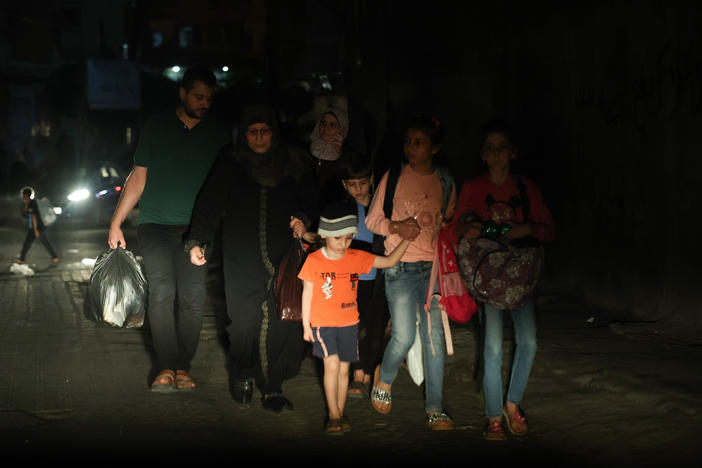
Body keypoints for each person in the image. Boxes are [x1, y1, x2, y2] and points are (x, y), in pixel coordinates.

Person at [187, 103, 318, 411]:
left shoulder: (294, 162)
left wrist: (303, 218)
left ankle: (273, 385)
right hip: (240, 256)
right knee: (243, 321)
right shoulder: (232, 162)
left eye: (265, 132)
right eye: (252, 132)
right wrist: (196, 240)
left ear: (274, 132)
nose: (259, 139)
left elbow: (311, 201)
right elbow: (209, 202)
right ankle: (243, 371)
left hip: (284, 255)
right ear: (243, 134)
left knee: (281, 320)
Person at [107, 66, 231, 393]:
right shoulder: (156, 127)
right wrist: (116, 222)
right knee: (162, 293)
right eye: (198, 96)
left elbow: (226, 187)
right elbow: (138, 178)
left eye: (209, 98)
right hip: (155, 226)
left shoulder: (218, 135)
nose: (204, 103)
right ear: (183, 93)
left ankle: (182, 366)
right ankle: (164, 365)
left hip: (198, 231)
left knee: (192, 298)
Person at [447, 119, 555, 440]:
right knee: (492, 345)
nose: (496, 154)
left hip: (521, 277)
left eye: (502, 148)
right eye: (490, 149)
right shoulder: (474, 188)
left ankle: (512, 404)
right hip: (490, 278)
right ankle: (494, 415)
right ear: (483, 155)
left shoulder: (526, 188)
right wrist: (482, 230)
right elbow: (459, 229)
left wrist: (528, 230)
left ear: (513, 153)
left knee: (530, 341)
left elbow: (547, 229)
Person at [365, 115, 457, 430]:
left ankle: (434, 407)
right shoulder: (393, 178)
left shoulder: (445, 182)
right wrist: (396, 226)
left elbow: (450, 221)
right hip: (399, 268)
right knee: (403, 335)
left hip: (432, 271)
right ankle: (385, 376)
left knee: (433, 338)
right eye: (408, 141)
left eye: (419, 142)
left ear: (435, 148)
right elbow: (372, 220)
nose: (411, 147)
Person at [298, 200, 415, 434]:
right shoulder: (314, 260)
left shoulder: (356, 256)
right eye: (338, 238)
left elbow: (390, 261)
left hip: (349, 323)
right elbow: (307, 293)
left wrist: (407, 238)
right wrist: (306, 325)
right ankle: (333, 416)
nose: (343, 244)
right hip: (324, 323)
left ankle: (340, 413)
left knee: (343, 370)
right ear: (325, 235)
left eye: (348, 238)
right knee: (331, 367)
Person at [336, 155, 389, 399]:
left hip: (379, 277)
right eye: (352, 184)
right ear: (344, 184)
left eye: (363, 183)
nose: (358, 189)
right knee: (354, 328)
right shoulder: (342, 206)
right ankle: (358, 374)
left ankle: (368, 372)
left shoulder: (381, 205)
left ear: (371, 181)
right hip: (351, 279)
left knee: (375, 327)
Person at [309, 105, 351, 208]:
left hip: (333, 211)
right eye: (323, 123)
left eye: (332, 125)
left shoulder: (348, 155)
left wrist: (342, 154)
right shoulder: (307, 149)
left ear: (342, 128)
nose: (326, 128)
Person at [16, 187, 59, 265]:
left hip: (37, 227)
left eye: (22, 194)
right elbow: (26, 215)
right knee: (43, 242)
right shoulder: (28, 203)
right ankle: (55, 257)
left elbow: (34, 217)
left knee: (28, 243)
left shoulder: (32, 203)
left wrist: (36, 230)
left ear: (26, 195)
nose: (21, 196)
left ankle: (21, 259)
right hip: (36, 227)